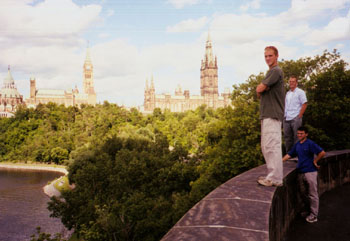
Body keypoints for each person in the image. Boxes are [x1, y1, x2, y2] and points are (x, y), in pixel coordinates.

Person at [282, 126, 325, 223]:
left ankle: (314, 215)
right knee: (303, 193)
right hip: (301, 172)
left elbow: (322, 153)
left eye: (301, 133)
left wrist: (315, 161)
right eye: (298, 133)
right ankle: (308, 211)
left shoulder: (310, 143)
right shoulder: (297, 145)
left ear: (306, 134)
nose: (299, 135)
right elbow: (290, 154)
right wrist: (280, 161)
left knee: (312, 194)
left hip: (310, 172)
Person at [256, 46, 285, 187]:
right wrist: (263, 88)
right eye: (266, 56)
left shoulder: (275, 71)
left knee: (272, 146)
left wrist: (263, 87)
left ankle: (275, 178)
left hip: (272, 114)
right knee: (266, 146)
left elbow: (259, 89)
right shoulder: (271, 72)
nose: (267, 58)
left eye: (270, 56)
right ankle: (272, 175)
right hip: (267, 114)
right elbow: (260, 91)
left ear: (276, 56)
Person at [283, 76, 307, 153]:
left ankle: (297, 155)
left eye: (293, 81)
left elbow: (305, 104)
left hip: (295, 117)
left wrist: (299, 116)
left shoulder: (300, 92)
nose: (291, 83)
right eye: (290, 81)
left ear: (296, 83)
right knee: (287, 137)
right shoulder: (288, 93)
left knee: (297, 137)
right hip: (287, 118)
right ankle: (289, 155)